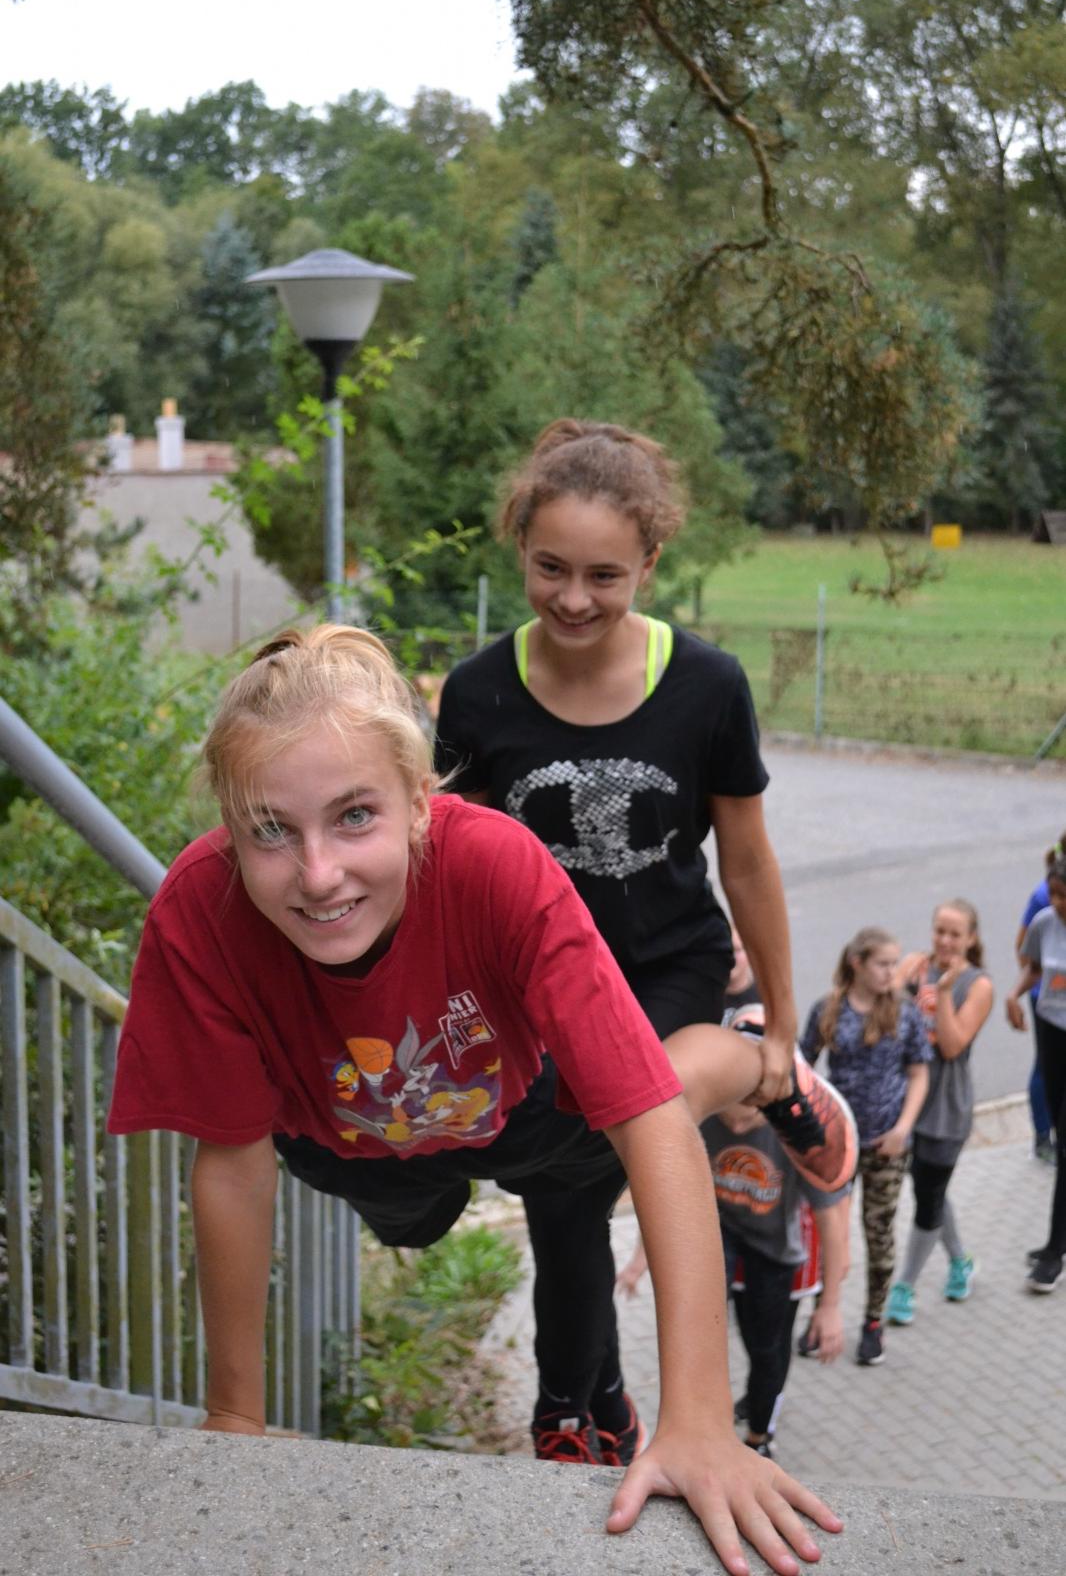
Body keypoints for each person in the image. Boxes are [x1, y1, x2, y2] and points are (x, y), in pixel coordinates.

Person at [108, 624, 846, 1576]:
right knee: (419, 1223)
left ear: (421, 801)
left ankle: (756, 1062)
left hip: (522, 1104)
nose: (319, 874)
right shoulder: (196, 910)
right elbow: (234, 1165)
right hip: (353, 1140)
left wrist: (699, 1421)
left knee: (638, 1111)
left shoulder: (495, 863)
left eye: (355, 816)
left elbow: (649, 1123)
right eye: (271, 831)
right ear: (228, 822)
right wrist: (235, 1417)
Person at [434, 419, 854, 1460]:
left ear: (650, 562)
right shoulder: (477, 694)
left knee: (630, 1116)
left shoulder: (706, 685)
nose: (574, 598)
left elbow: (745, 861)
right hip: (535, 985)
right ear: (519, 545)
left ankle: (761, 1068)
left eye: (604, 576)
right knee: (562, 1189)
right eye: (550, 568)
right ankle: (595, 1406)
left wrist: (784, 1020)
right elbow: (455, 873)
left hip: (666, 966)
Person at [618, 1005, 851, 1461]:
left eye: (752, 1104)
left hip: (775, 1250)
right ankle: (709, 1420)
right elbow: (666, 1189)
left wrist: (830, 1306)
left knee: (767, 1349)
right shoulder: (698, 1104)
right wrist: (639, 1260)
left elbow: (833, 1219)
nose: (740, 1122)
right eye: (732, 1104)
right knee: (704, 1335)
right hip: (722, 1233)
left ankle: (760, 1435)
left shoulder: (800, 1127)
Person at [798, 928, 931, 1367]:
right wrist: (813, 1127)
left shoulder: (905, 1012)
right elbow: (802, 1068)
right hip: (838, 1145)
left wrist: (903, 1128)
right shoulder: (829, 1010)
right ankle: (822, 1315)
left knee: (879, 1233)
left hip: (886, 1145)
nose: (892, 972)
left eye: (894, 963)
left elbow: (919, 1073)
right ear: (857, 963)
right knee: (828, 1234)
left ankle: (873, 1323)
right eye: (883, 964)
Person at [885, 901, 993, 1328]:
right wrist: (897, 983)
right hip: (906, 1101)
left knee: (928, 1195)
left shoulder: (977, 985)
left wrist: (943, 993)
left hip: (946, 1109)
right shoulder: (915, 967)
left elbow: (951, 1046)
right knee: (930, 1188)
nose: (945, 941)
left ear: (971, 939)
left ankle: (904, 1286)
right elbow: (885, 1020)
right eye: (940, 931)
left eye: (955, 934)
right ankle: (961, 1261)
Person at [1007, 850, 1066, 1292]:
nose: (1058, 903)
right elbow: (1033, 969)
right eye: (1055, 894)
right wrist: (1013, 995)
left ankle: (1053, 1253)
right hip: (1049, 1032)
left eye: (1064, 896)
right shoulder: (1045, 923)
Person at [1015, 834, 1066, 1165]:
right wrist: (1033, 987)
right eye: (1054, 895)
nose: (1056, 902)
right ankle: (1042, 1134)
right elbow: (1026, 952)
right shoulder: (1042, 902)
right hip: (1047, 1006)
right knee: (1045, 1070)